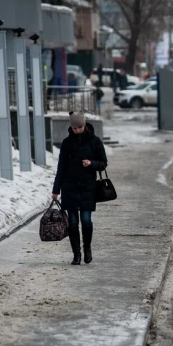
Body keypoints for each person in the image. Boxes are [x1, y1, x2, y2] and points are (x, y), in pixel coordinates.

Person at [52, 111, 108, 265]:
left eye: (80, 127)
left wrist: (91, 163)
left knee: (86, 220)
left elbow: (103, 163)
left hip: (87, 186)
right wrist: (56, 190)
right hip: (69, 187)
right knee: (72, 222)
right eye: (75, 128)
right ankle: (76, 254)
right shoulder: (66, 143)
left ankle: (87, 248)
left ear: (85, 125)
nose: (77, 130)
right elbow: (61, 167)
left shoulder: (95, 141)